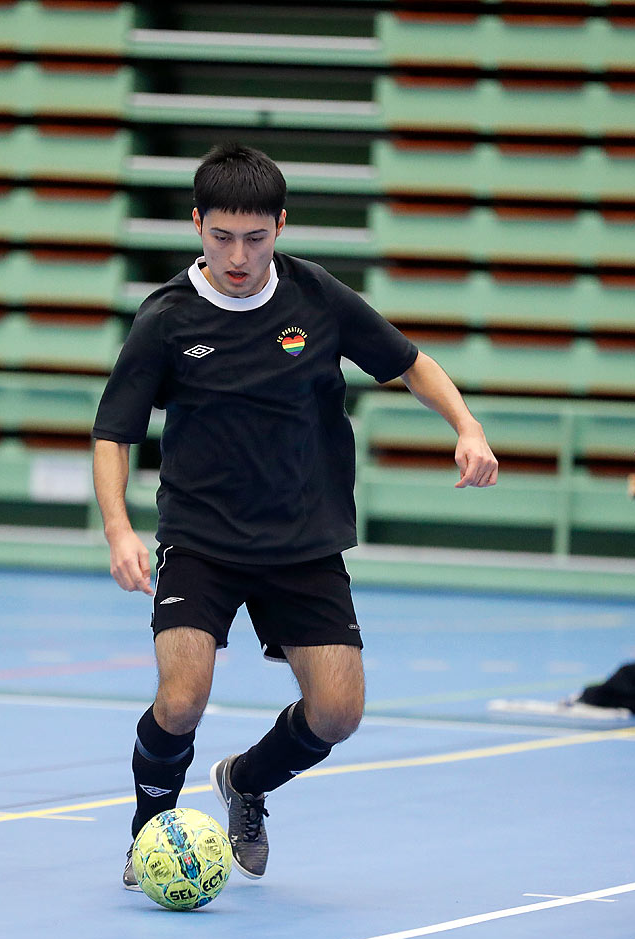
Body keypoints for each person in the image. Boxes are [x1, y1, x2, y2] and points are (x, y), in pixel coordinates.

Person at [92, 143, 498, 890]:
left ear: (280, 225)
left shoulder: (318, 298)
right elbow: (113, 432)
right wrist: (119, 529)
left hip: (303, 541)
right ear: (196, 226)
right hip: (202, 539)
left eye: (255, 237)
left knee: (338, 712)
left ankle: (246, 781)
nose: (238, 255)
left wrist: (466, 427)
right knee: (180, 702)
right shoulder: (167, 318)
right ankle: (149, 832)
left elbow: (411, 364)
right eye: (221, 237)